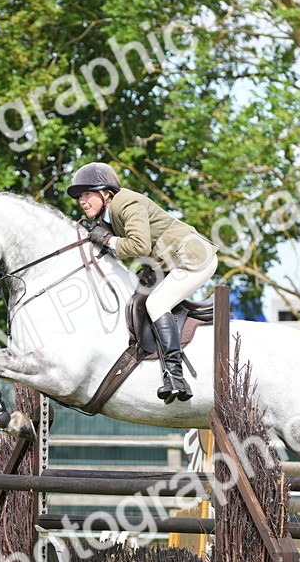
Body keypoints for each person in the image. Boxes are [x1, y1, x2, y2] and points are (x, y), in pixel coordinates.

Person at [66, 162, 218, 403]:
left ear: (106, 193)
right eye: (79, 197)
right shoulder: (107, 216)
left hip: (193, 258)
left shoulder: (126, 203)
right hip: (167, 264)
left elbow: (139, 246)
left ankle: (174, 375)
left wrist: (108, 241)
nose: (82, 201)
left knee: (157, 304)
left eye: (87, 194)